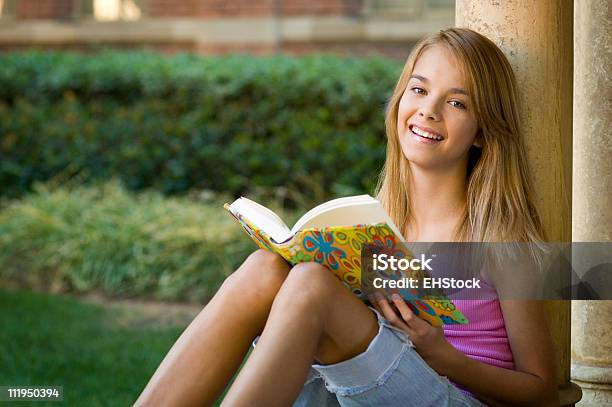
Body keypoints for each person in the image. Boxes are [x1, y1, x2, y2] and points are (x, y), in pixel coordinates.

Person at [135, 28, 558, 406]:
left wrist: (445, 357)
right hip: (371, 382)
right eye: (418, 90)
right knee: (265, 269)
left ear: (483, 131)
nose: (429, 110)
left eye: (457, 102)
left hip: (456, 393)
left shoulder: (502, 238)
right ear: (399, 102)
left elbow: (541, 390)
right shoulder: (375, 226)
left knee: (312, 283)